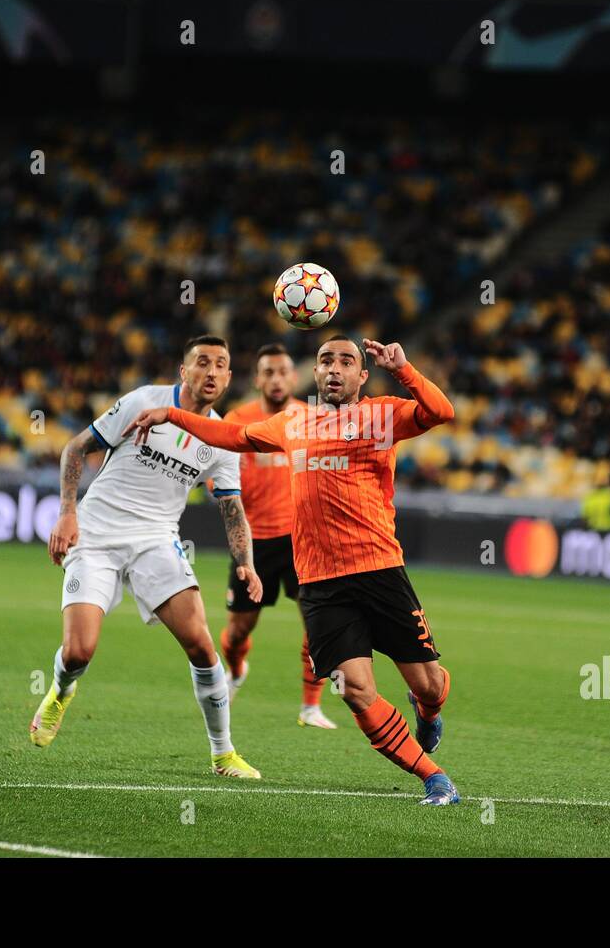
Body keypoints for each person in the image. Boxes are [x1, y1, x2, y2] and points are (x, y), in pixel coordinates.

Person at [124, 335, 461, 805]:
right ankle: (435, 778)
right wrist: (172, 414)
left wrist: (404, 370)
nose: (335, 368)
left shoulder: (382, 415)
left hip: (380, 570)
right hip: (321, 584)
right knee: (356, 690)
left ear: (362, 376)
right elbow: (234, 438)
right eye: (326, 360)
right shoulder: (294, 422)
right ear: (315, 374)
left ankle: (428, 712)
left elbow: (441, 412)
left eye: (347, 361)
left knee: (429, 684)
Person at [34, 335, 264, 778]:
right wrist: (67, 514)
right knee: (79, 651)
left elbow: (232, 508)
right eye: (202, 362)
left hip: (156, 540)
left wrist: (246, 563)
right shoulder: (144, 400)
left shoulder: (221, 440)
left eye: (220, 365)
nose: (211, 372)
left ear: (230, 377)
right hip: (96, 534)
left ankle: (223, 753)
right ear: (184, 371)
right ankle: (62, 689)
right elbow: (75, 448)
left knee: (201, 644)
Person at [219, 343, 337, 730]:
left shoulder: (312, 418)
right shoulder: (238, 419)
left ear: (293, 377)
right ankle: (236, 671)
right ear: (256, 379)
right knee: (238, 631)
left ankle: (310, 707)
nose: (275, 378)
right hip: (252, 544)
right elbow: (217, 468)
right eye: (267, 372)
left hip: (303, 539)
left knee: (316, 624)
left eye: (282, 371)